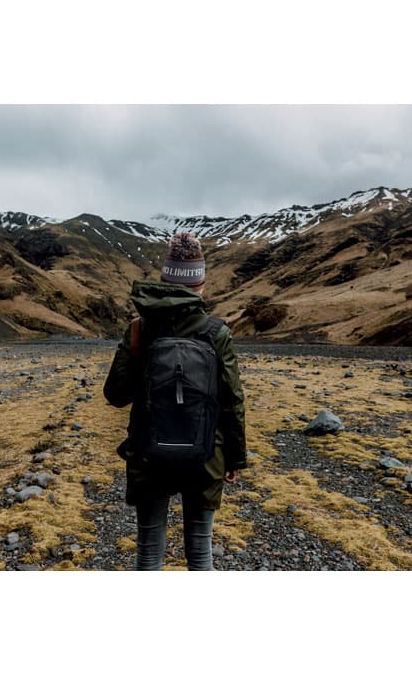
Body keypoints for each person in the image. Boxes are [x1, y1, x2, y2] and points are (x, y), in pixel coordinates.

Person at [103, 231, 247, 570]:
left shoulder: (139, 329)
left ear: (165, 279)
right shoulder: (216, 333)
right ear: (201, 284)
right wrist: (235, 458)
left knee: (148, 554)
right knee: (200, 554)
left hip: (149, 455)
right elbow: (232, 401)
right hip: (206, 455)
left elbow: (116, 395)